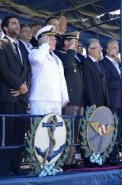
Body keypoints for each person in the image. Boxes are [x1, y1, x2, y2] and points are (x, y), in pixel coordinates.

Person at [0, 15, 32, 176]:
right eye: (14, 23)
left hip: (21, 97)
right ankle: (2, 168)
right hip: (8, 95)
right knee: (5, 133)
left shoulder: (22, 47)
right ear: (5, 28)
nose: (18, 25)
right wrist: (19, 85)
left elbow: (28, 70)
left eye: (18, 23)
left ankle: (15, 166)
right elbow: (3, 69)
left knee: (18, 134)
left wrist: (25, 87)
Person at [54, 32, 84, 168]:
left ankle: (71, 159)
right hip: (69, 100)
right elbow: (66, 65)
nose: (76, 43)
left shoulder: (75, 56)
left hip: (79, 100)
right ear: (65, 42)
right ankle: (65, 160)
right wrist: (71, 50)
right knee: (68, 131)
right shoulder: (60, 53)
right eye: (73, 40)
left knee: (75, 133)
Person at [28, 25, 68, 115]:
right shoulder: (35, 52)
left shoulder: (56, 58)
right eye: (51, 38)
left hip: (56, 99)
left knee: (56, 128)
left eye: (55, 39)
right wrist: (44, 45)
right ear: (44, 40)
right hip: (40, 98)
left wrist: (64, 97)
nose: (55, 41)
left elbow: (61, 79)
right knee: (39, 127)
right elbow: (37, 59)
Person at [100, 39, 122, 165]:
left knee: (117, 131)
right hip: (111, 101)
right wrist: (121, 81)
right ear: (107, 50)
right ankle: (109, 156)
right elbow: (106, 83)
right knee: (109, 130)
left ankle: (115, 155)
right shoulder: (104, 63)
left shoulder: (116, 64)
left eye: (117, 47)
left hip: (118, 101)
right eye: (114, 48)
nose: (117, 49)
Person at [82, 38, 109, 109]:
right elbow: (88, 84)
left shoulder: (100, 64)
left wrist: (107, 101)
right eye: (97, 48)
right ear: (89, 50)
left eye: (100, 48)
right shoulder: (86, 63)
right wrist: (92, 102)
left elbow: (104, 84)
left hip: (103, 102)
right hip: (94, 104)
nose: (100, 50)